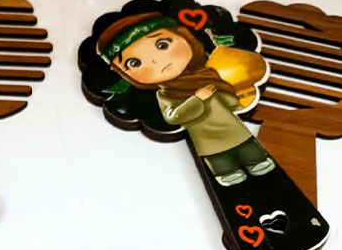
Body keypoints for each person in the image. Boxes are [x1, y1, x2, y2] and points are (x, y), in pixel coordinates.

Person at [97, 13, 275, 186]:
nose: (156, 61)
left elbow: (230, 100)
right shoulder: (166, 94)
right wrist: (197, 99)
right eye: (134, 63)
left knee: (248, 148)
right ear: (125, 74)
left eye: (162, 45)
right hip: (206, 137)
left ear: (184, 37)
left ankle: (256, 160)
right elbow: (173, 117)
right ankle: (227, 173)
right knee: (220, 161)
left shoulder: (208, 74)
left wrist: (231, 98)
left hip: (231, 125)